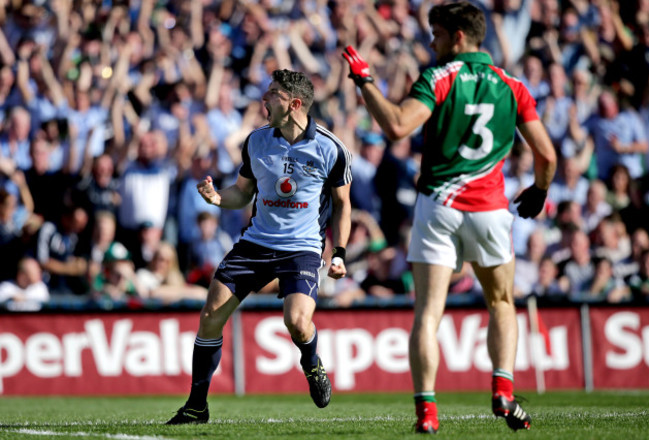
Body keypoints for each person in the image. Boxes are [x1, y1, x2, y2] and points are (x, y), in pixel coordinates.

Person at [343, 2, 556, 433]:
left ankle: (427, 414)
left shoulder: (440, 77)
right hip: (491, 211)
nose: (431, 41)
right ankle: (502, 389)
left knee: (428, 313)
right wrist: (539, 189)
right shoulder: (512, 85)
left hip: (439, 206)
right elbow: (547, 155)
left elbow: (398, 126)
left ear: (458, 36)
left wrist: (365, 83)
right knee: (501, 301)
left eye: (436, 34)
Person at [166, 69, 352, 424]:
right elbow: (243, 192)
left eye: (272, 94)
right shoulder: (256, 141)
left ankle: (311, 363)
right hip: (256, 242)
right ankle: (196, 407)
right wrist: (218, 198)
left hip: (302, 248)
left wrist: (339, 253)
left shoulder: (331, 148)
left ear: (294, 104)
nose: (264, 99)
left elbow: (343, 204)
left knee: (297, 322)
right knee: (210, 316)